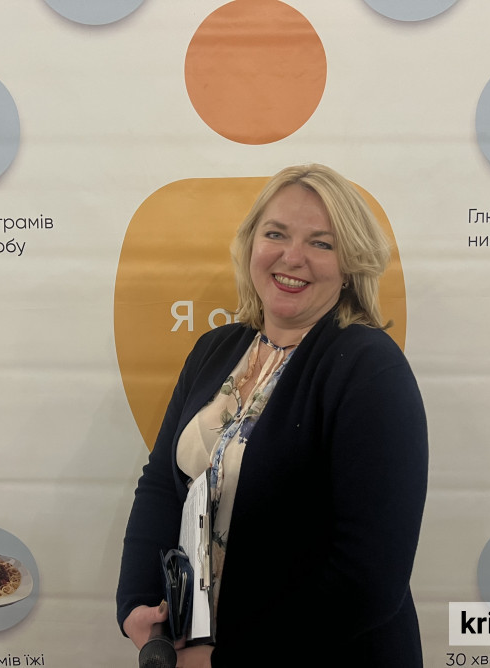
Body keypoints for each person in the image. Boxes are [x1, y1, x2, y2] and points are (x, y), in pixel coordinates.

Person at [117, 164, 428, 667]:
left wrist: (229, 658)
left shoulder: (370, 367)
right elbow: (161, 485)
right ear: (251, 245)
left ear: (350, 265)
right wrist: (137, 601)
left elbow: (369, 578)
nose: (292, 257)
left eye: (321, 243)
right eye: (276, 234)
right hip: (202, 645)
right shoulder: (215, 349)